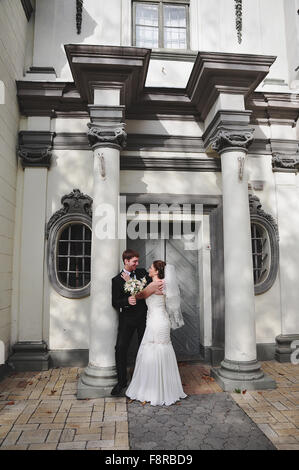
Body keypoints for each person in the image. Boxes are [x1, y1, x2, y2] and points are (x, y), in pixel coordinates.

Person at [124, 260, 187, 406]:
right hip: (161, 320)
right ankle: (167, 389)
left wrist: (129, 282)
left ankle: (153, 390)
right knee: (162, 349)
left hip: (156, 322)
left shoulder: (154, 284)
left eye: (151, 268)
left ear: (157, 271)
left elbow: (140, 295)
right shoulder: (164, 283)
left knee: (152, 350)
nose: (149, 269)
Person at [111, 249, 163, 396]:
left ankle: (143, 381)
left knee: (145, 349)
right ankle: (121, 382)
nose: (137, 264)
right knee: (120, 348)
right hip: (126, 320)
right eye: (134, 261)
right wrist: (126, 301)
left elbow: (152, 283)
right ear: (126, 261)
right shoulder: (116, 280)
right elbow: (115, 302)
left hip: (144, 319)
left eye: (137, 261)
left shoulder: (142, 273)